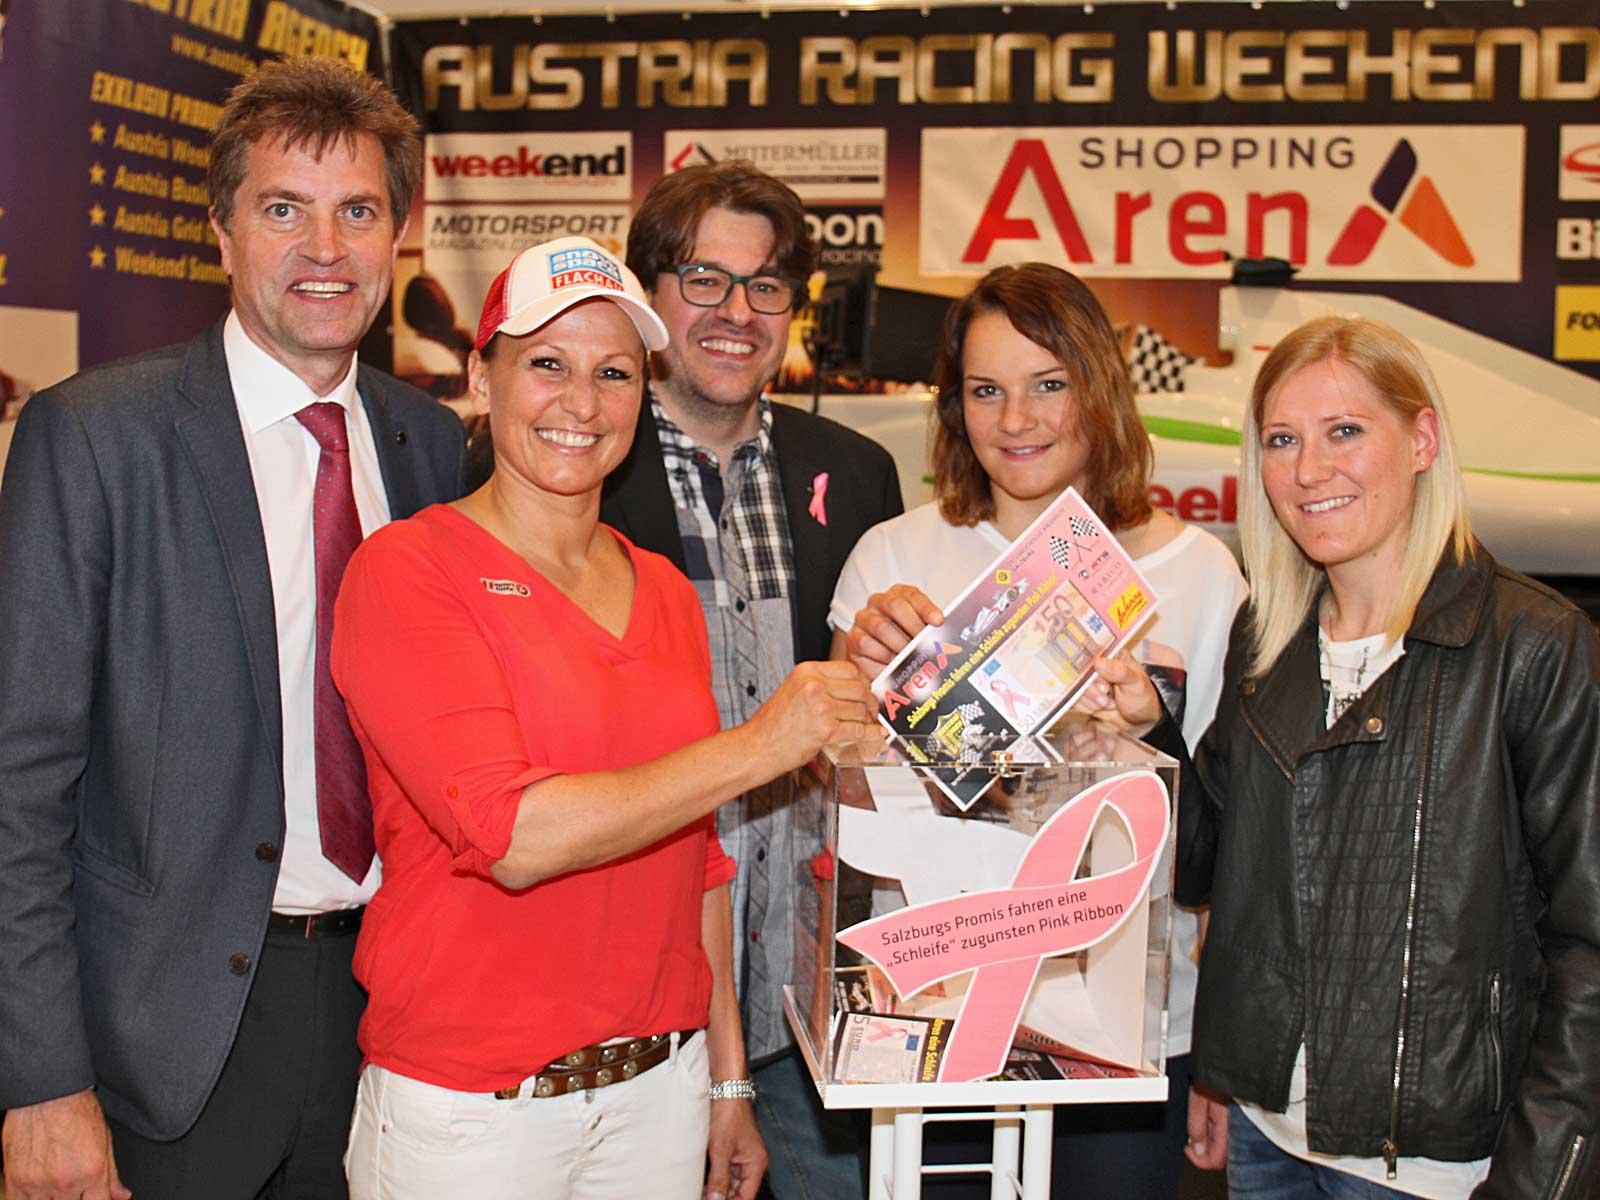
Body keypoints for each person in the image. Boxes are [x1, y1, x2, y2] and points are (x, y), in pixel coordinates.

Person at [0, 59, 465, 1200]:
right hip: (163, 1038)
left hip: (393, 1018)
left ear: (398, 235)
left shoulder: (432, 446)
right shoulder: (93, 437)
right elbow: (17, 781)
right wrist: (40, 1081)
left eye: (358, 212)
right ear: (221, 232)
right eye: (283, 209)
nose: (325, 248)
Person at [331, 236, 875, 1200]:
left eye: (614, 373)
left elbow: (700, 861)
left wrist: (727, 1081)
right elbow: (512, 837)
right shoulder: (409, 570)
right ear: (482, 378)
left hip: (659, 1098)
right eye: (547, 364)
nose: (581, 404)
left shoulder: (660, 587)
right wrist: (762, 745)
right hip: (473, 1113)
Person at [1096, 316, 1600, 1199]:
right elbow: (1211, 869)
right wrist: (1152, 733)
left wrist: (1541, 1174)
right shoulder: (1268, 637)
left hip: (1436, 1165)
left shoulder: (1532, 644)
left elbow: (1588, 943)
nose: (1308, 471)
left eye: (1345, 431)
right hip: (1268, 1141)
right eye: (1282, 440)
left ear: (1422, 440)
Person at [831, 261, 1246, 1197]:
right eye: (985, 390)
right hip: (936, 1009)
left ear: (1098, 388)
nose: (1015, 420)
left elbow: (1230, 831)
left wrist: (1218, 1061)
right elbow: (836, 796)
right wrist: (863, 683)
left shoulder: (1200, 575)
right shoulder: (895, 556)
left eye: (1047, 385)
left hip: (1128, 1025)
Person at [598, 161, 904, 1197]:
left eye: (765, 285)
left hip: (810, 1001)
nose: (736, 313)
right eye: (703, 279)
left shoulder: (856, 474)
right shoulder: (577, 465)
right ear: (649, 297)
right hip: (637, 1004)